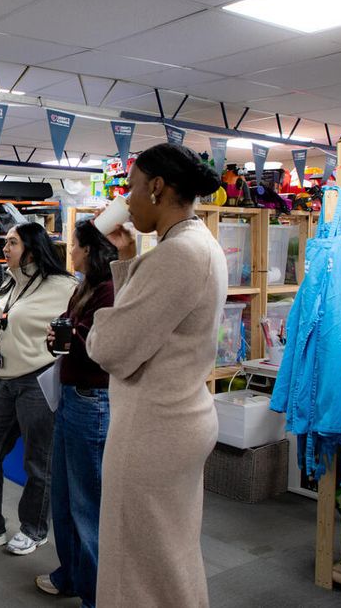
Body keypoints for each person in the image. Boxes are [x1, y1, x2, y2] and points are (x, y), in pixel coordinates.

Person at [85, 142, 225, 607]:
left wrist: (94, 328)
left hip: (153, 425)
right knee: (168, 550)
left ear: (158, 188)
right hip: (180, 414)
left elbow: (111, 346)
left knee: (137, 559)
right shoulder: (196, 242)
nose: (127, 199)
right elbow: (156, 322)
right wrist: (127, 259)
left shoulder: (177, 254)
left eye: (131, 188)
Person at [0, 222, 77, 556]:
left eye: (12, 243)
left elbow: (82, 327)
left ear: (32, 248)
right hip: (4, 381)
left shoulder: (63, 286)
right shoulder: (11, 282)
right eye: (6, 242)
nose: (5, 248)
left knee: (38, 460)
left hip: (39, 380)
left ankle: (34, 529)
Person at [35, 219, 117, 603]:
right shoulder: (84, 287)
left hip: (92, 400)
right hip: (70, 395)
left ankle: (94, 595)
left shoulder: (111, 290)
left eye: (75, 244)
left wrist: (71, 336)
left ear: (90, 249)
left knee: (87, 503)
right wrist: (59, 338)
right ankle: (71, 575)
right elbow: (72, 335)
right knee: (64, 498)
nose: (69, 250)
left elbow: (104, 347)